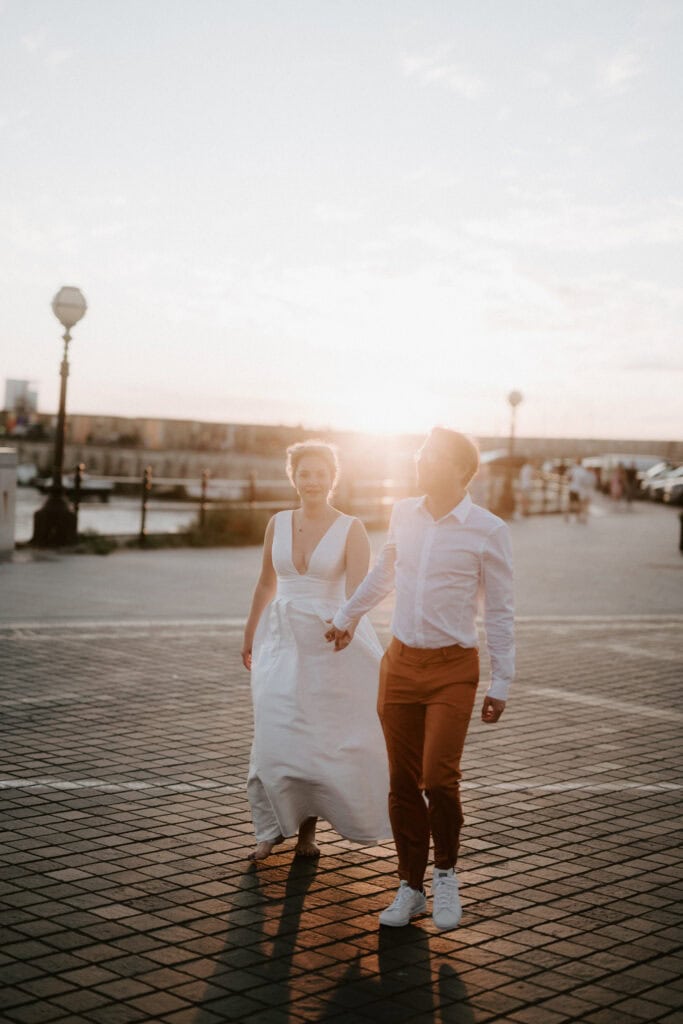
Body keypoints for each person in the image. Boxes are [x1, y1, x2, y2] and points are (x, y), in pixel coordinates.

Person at [325, 428, 514, 931]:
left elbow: (499, 611)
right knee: (402, 781)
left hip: (454, 669)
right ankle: (410, 887)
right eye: (419, 452)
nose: (419, 460)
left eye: (430, 455)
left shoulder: (488, 530)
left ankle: (446, 875)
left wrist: (502, 681)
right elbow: (385, 572)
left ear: (458, 469)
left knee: (439, 778)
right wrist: (346, 617)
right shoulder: (403, 512)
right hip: (401, 665)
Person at [242, 440, 391, 862]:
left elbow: (360, 593)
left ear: (332, 478)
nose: (312, 481)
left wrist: (348, 625)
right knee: (274, 731)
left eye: (320, 473)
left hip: (329, 642)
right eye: (304, 473)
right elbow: (265, 584)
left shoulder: (352, 528)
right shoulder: (278, 523)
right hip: (281, 641)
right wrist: (249, 632)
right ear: (294, 477)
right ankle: (268, 829)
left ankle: (307, 833)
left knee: (316, 738)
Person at [565, 458, 594, 524]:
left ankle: (567, 516)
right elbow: (585, 481)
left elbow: (568, 478)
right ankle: (577, 517)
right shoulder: (583, 470)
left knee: (570, 503)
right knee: (578, 504)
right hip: (579, 489)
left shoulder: (573, 469)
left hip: (572, 488)